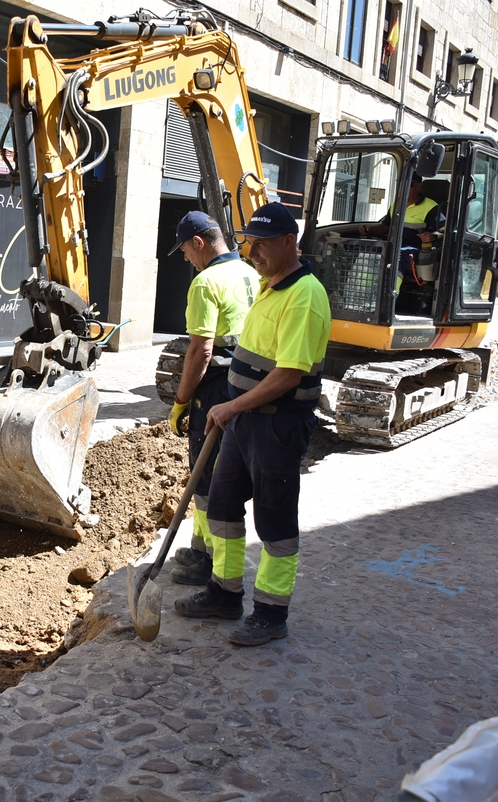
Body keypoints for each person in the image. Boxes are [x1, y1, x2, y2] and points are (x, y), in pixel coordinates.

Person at [174, 202, 331, 647]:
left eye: (262, 244)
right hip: (243, 420)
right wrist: (232, 407)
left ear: (289, 242)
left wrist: (230, 405)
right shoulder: (269, 284)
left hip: (277, 425)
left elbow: (288, 374)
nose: (253, 251)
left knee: (274, 521)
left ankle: (270, 613)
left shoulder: (305, 295)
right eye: (249, 242)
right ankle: (224, 594)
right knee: (221, 506)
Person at [164, 210, 259, 586]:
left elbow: (200, 352)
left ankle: (214, 567)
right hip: (247, 384)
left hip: (217, 387)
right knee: (217, 474)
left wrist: (181, 401)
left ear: (199, 243)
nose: (185, 257)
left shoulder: (206, 283)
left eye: (185, 250)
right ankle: (201, 548)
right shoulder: (252, 273)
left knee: (208, 478)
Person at [358, 175, 444, 285]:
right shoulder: (396, 205)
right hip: (393, 244)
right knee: (366, 251)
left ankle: (391, 295)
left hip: (414, 248)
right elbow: (385, 227)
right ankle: (361, 289)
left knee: (397, 255)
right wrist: (368, 230)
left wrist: (433, 236)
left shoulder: (430, 207)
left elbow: (444, 230)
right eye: (402, 185)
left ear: (419, 186)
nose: (404, 188)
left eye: (410, 185)